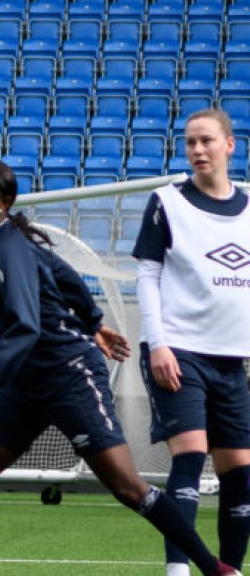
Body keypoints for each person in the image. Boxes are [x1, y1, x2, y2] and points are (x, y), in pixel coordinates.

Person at [0, 158, 241, 576]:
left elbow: (25, 328)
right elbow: (67, 275)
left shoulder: (7, 248)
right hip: (26, 383)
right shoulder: (7, 242)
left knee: (128, 487)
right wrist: (94, 323)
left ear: (2, 201)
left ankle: (215, 569)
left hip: (68, 375)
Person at [134, 109, 250, 576]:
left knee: (241, 474)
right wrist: (157, 343)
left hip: (231, 360)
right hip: (178, 350)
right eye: (189, 143)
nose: (197, 150)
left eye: (206, 141)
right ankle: (178, 571)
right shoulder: (167, 201)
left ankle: (230, 569)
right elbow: (146, 273)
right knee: (190, 454)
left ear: (229, 145)